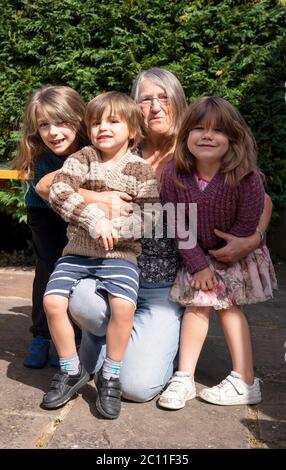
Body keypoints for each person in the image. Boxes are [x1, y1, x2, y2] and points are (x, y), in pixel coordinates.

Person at [37, 68, 273, 404]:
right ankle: (100, 338)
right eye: (146, 99)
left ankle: (122, 349)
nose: (156, 107)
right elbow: (48, 185)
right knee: (83, 303)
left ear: (179, 103)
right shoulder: (117, 149)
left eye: (164, 98)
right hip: (110, 268)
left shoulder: (195, 151)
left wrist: (253, 238)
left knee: (137, 387)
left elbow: (260, 196)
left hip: (163, 283)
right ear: (135, 109)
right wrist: (97, 198)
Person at [41, 91, 159, 419]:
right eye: (95, 122)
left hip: (121, 255)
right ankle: (70, 368)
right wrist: (94, 218)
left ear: (133, 130)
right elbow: (59, 191)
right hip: (77, 251)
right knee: (52, 302)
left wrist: (117, 230)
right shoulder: (82, 158)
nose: (102, 128)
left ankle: (111, 373)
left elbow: (152, 216)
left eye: (113, 121)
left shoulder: (140, 170)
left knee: (123, 307)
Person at [158, 96, 277, 410]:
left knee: (227, 306)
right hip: (195, 253)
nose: (207, 135)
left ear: (234, 139)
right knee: (196, 306)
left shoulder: (247, 178)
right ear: (185, 137)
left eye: (217, 131)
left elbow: (247, 223)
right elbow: (177, 224)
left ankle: (245, 380)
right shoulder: (174, 175)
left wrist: (225, 258)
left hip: (234, 252)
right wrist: (199, 265)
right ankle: (184, 377)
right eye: (198, 128)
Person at [14, 85, 88, 368]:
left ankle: (74, 334)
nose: (53, 133)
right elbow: (47, 189)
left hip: (79, 209)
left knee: (77, 267)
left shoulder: (93, 146)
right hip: (43, 210)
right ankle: (42, 336)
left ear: (77, 119)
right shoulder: (39, 153)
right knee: (49, 266)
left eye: (60, 122)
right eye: (44, 125)